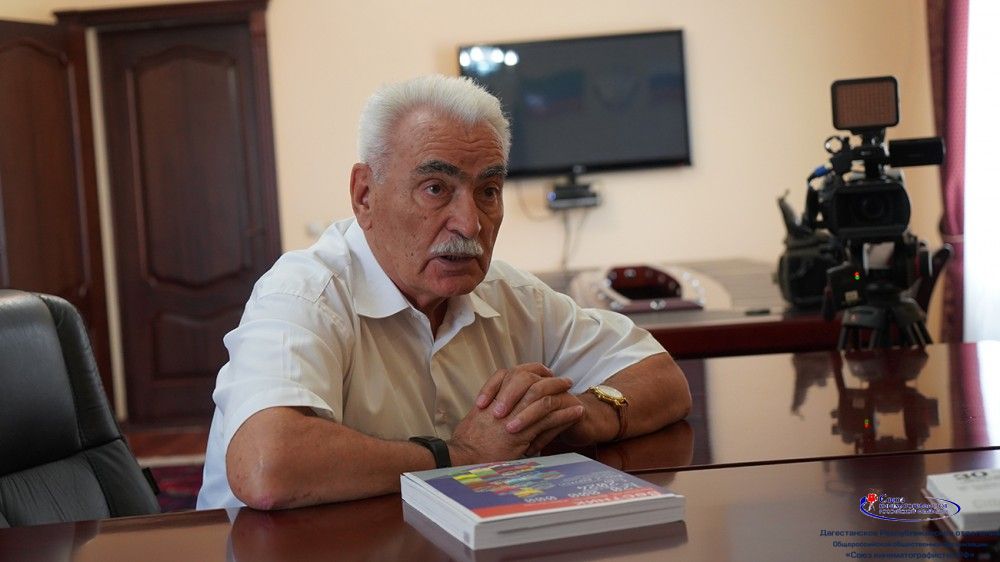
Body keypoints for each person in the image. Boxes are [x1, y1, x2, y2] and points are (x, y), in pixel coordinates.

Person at [197, 75, 691, 510]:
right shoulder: (305, 294)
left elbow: (662, 376)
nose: (470, 223)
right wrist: (462, 456)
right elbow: (267, 466)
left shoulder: (512, 296)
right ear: (364, 195)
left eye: (488, 191)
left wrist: (581, 415)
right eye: (436, 188)